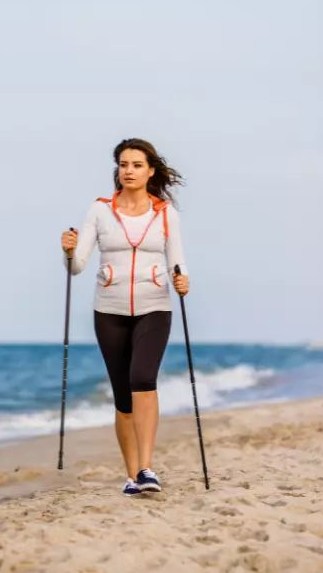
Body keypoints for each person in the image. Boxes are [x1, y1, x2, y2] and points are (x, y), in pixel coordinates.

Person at [60, 138, 189, 496]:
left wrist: (182, 281)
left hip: (154, 307)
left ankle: (146, 469)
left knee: (143, 379)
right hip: (109, 311)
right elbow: (77, 266)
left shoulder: (165, 213)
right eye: (123, 164)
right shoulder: (100, 211)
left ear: (150, 171)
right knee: (123, 397)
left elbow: (177, 261)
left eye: (136, 165)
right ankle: (132, 476)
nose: (128, 171)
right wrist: (68, 251)